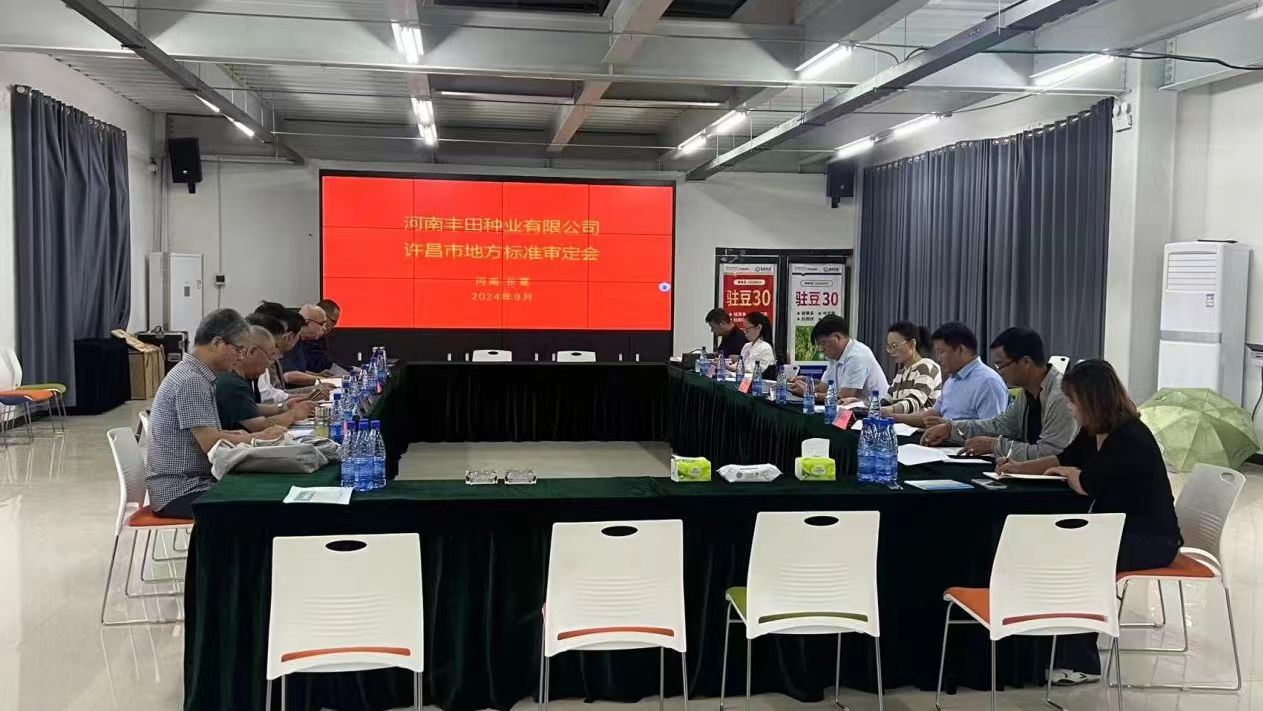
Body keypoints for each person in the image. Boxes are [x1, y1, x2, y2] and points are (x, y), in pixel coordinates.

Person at [998, 359, 1180, 684]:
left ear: (1092, 400)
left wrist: (1071, 473)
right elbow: (1065, 459)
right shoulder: (1094, 431)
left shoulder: (1129, 438)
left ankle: (1081, 662)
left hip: (1151, 540)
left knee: (1077, 560)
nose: (1069, 408)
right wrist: (1020, 468)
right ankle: (1046, 644)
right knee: (1059, 549)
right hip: (1116, 531)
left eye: (1072, 401)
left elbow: (1088, 482)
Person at [146, 309, 286, 519]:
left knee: (265, 490)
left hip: (194, 482)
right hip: (182, 490)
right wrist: (258, 437)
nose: (241, 356)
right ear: (217, 343)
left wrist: (236, 435)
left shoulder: (196, 374)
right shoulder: (191, 381)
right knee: (265, 506)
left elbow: (209, 434)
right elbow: (210, 442)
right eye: (239, 349)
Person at [922, 327, 1076, 461]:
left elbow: (1052, 453)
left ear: (1026, 362)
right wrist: (951, 429)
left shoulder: (1061, 396)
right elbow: (1000, 425)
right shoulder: (1027, 393)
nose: (999, 372)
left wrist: (996, 445)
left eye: (1001, 365)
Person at [889, 322, 1009, 428]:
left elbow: (991, 431)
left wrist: (950, 429)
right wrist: (892, 417)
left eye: (941, 352)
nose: (938, 358)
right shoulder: (952, 381)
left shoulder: (988, 382)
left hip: (962, 446)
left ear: (961, 349)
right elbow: (930, 416)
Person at [215, 325, 317, 432]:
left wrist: (282, 408)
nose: (270, 363)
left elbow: (246, 408)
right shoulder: (231, 383)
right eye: (271, 355)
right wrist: (293, 414)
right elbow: (260, 427)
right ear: (252, 352)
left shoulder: (238, 378)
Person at [789, 314, 888, 402]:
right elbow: (823, 388)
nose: (821, 349)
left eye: (823, 343)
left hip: (874, 411)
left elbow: (844, 398)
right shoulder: (835, 356)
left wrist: (808, 393)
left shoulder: (857, 356)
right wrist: (806, 381)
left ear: (837, 337)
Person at [866, 321, 942, 416]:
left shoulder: (926, 366)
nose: (890, 351)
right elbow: (886, 400)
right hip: (900, 423)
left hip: (920, 424)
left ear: (912, 344)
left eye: (894, 346)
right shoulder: (901, 373)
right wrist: (866, 405)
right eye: (889, 347)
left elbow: (914, 402)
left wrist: (888, 410)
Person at [280, 303, 327, 387]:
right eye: (322, 324)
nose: (324, 328)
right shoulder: (290, 339)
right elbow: (289, 376)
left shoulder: (301, 341)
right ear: (307, 322)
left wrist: (319, 375)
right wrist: (324, 380)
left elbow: (299, 370)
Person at [726, 311, 776, 378]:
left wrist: (730, 367)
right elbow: (740, 365)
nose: (745, 332)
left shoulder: (765, 347)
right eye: (744, 329)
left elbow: (756, 370)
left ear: (758, 327)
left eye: (747, 329)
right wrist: (725, 364)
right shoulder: (746, 346)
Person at [300, 298, 341, 373]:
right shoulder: (293, 340)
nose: (324, 327)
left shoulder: (322, 339)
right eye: (322, 323)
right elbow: (290, 373)